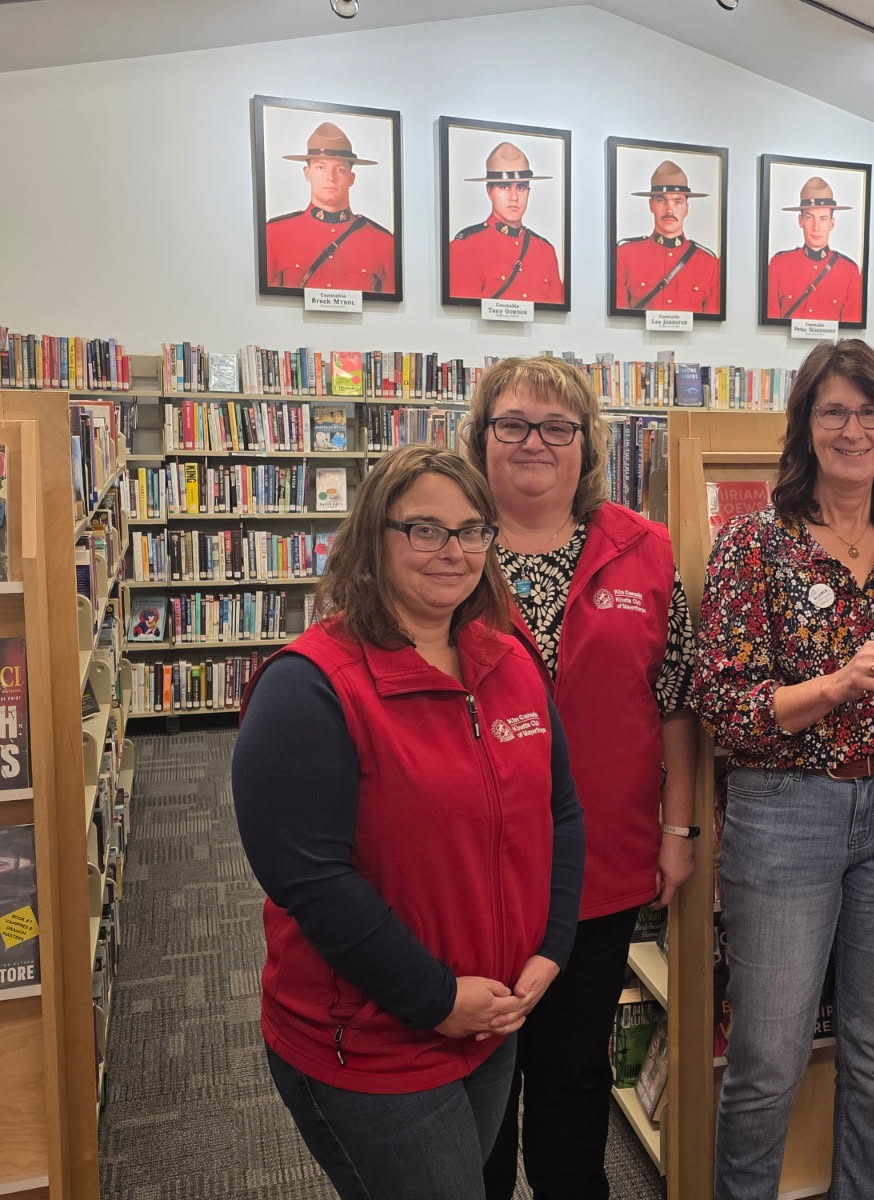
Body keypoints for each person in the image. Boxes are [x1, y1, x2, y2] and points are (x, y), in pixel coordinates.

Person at [232, 445, 584, 1200]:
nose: (453, 551)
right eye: (424, 529)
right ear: (374, 537)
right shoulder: (309, 686)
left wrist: (551, 947)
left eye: (472, 531)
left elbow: (560, 812)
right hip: (372, 1042)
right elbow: (310, 881)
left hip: (492, 1019)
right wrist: (437, 999)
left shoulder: (508, 659)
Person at [691, 338, 874, 1200]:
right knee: (768, 1057)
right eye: (834, 412)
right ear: (804, 426)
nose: (854, 430)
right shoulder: (753, 543)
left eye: (870, 412)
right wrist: (836, 685)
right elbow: (723, 703)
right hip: (786, 811)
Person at [466, 357, 698, 1200]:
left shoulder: (645, 549)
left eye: (557, 427)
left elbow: (676, 701)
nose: (535, 442)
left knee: (573, 1069)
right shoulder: (443, 545)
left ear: (587, 444)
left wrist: (678, 830)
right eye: (512, 424)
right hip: (471, 869)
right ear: (480, 438)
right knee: (478, 1076)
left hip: (599, 862)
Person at [264, 121, 397, 293]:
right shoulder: (274, 235)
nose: (330, 178)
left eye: (340, 170)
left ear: (351, 178)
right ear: (307, 173)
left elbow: (389, 307)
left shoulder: (384, 243)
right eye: (321, 167)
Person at [449, 142, 565, 304]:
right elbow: (460, 313)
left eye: (521, 188)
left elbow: (556, 314)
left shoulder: (545, 251)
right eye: (504, 187)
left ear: (529, 192)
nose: (514, 197)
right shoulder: (465, 247)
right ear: (489, 191)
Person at [614, 160, 721, 313]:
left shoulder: (709, 264)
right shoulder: (624, 255)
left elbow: (712, 324)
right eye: (661, 200)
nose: (669, 210)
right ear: (651, 205)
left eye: (677, 201)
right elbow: (619, 319)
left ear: (687, 208)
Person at [765, 176, 863, 323]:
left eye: (823, 219)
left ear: (832, 223)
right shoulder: (778, 265)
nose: (816, 227)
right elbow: (769, 326)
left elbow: (851, 331)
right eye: (810, 218)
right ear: (800, 221)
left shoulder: (850, 272)